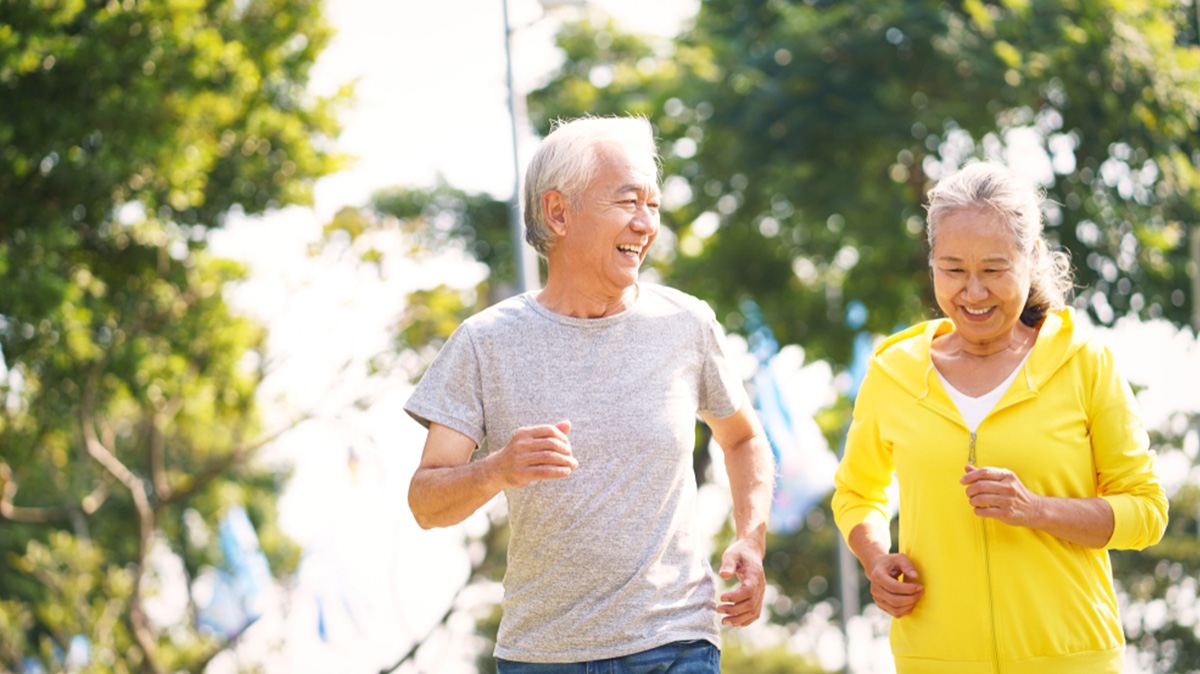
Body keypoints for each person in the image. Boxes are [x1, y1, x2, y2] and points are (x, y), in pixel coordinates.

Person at [404, 115, 775, 672]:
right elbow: (425, 503)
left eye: (653, 205)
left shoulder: (687, 324)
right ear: (558, 212)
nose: (647, 224)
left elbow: (743, 438)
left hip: (677, 641)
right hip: (543, 656)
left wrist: (752, 538)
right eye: (628, 202)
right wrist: (495, 470)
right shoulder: (485, 342)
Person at [832, 161, 1167, 673]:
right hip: (933, 659)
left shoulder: (1084, 363)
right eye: (952, 269)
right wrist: (876, 557)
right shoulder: (893, 372)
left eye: (993, 270)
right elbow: (857, 493)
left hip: (1071, 658)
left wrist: (1037, 510)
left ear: (1031, 259)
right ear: (932, 263)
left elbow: (1146, 511)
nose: (973, 292)